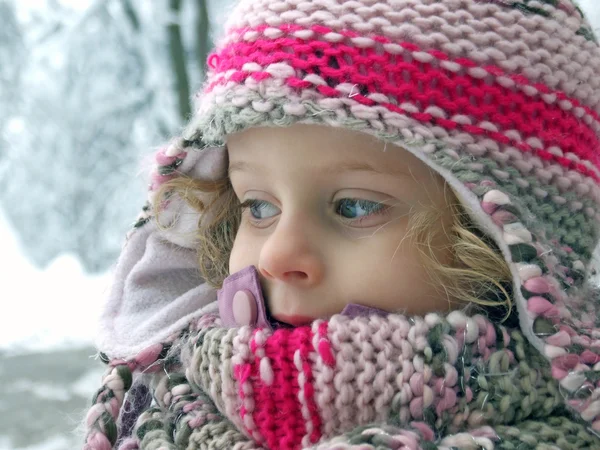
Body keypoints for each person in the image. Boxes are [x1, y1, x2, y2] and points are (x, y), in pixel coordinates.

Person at [83, 0, 600, 448]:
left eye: (353, 206)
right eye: (258, 207)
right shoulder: (156, 415)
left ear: (504, 245)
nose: (277, 257)